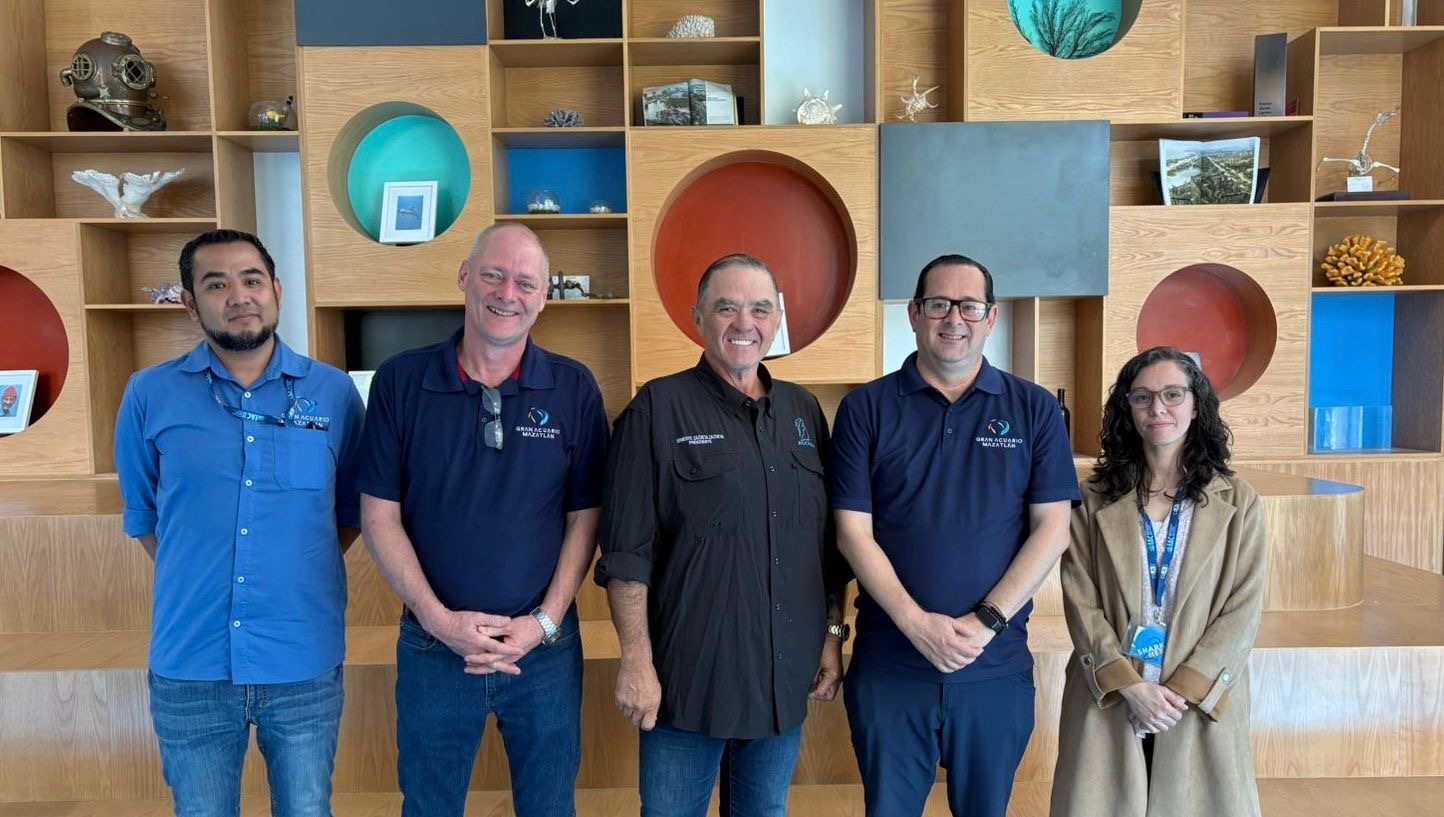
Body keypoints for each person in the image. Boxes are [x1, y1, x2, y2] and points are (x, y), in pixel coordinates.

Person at [356, 222, 608, 817]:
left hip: (543, 652)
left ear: (544, 298)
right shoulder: (400, 381)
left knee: (550, 809)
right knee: (429, 807)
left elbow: (586, 517)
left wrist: (544, 622)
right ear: (465, 277)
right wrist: (438, 619)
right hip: (433, 647)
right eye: (493, 275)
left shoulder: (574, 388)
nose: (507, 293)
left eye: (526, 282)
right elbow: (378, 516)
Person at [114, 228, 365, 817]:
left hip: (301, 656)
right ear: (189, 301)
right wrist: (200, 571)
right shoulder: (149, 394)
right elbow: (146, 515)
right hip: (192, 659)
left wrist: (292, 569)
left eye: (252, 280)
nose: (239, 296)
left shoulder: (332, 393)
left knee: (307, 809)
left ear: (276, 290)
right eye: (216, 284)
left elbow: (352, 512)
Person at [596, 253, 849, 817]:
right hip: (687, 686)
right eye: (726, 308)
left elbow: (826, 550)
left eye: (760, 309)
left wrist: (833, 635)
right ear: (698, 318)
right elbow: (627, 555)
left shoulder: (803, 411)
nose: (744, 323)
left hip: (783, 681)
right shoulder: (657, 408)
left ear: (777, 320)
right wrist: (635, 661)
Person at [830, 254, 1080, 817]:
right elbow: (851, 533)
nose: (954, 318)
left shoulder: (1035, 409)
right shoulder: (864, 409)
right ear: (915, 313)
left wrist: (986, 622)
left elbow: (1053, 529)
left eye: (969, 306)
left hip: (993, 666)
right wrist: (917, 625)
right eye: (939, 304)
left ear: (990, 318)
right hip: (891, 666)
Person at [1050, 346, 1265, 817]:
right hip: (1111, 693)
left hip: (1196, 701)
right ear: (1127, 408)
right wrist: (1131, 687)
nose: (1158, 408)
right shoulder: (1091, 498)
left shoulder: (1239, 501)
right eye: (1142, 397)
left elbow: (1243, 609)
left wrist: (1176, 695)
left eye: (1172, 394)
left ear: (1196, 404)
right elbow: (1080, 599)